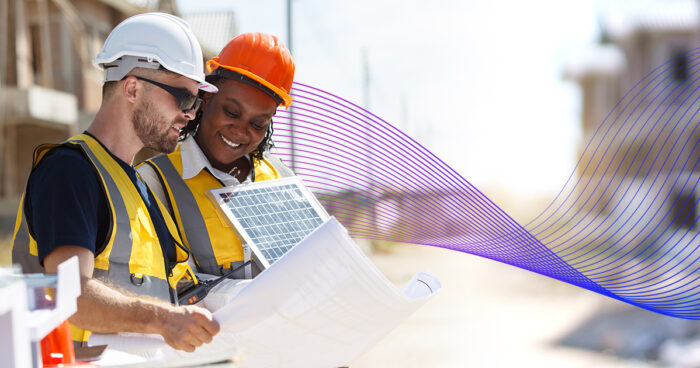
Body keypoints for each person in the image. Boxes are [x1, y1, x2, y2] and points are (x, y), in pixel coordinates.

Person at [11, 12, 220, 352]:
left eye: (197, 101)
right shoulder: (69, 172)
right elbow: (71, 295)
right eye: (183, 98)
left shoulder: (138, 189)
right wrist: (164, 319)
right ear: (133, 88)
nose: (192, 114)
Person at [137, 32, 295, 279]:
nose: (241, 132)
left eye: (258, 123)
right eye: (232, 112)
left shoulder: (281, 178)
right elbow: (162, 285)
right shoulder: (153, 182)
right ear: (208, 98)